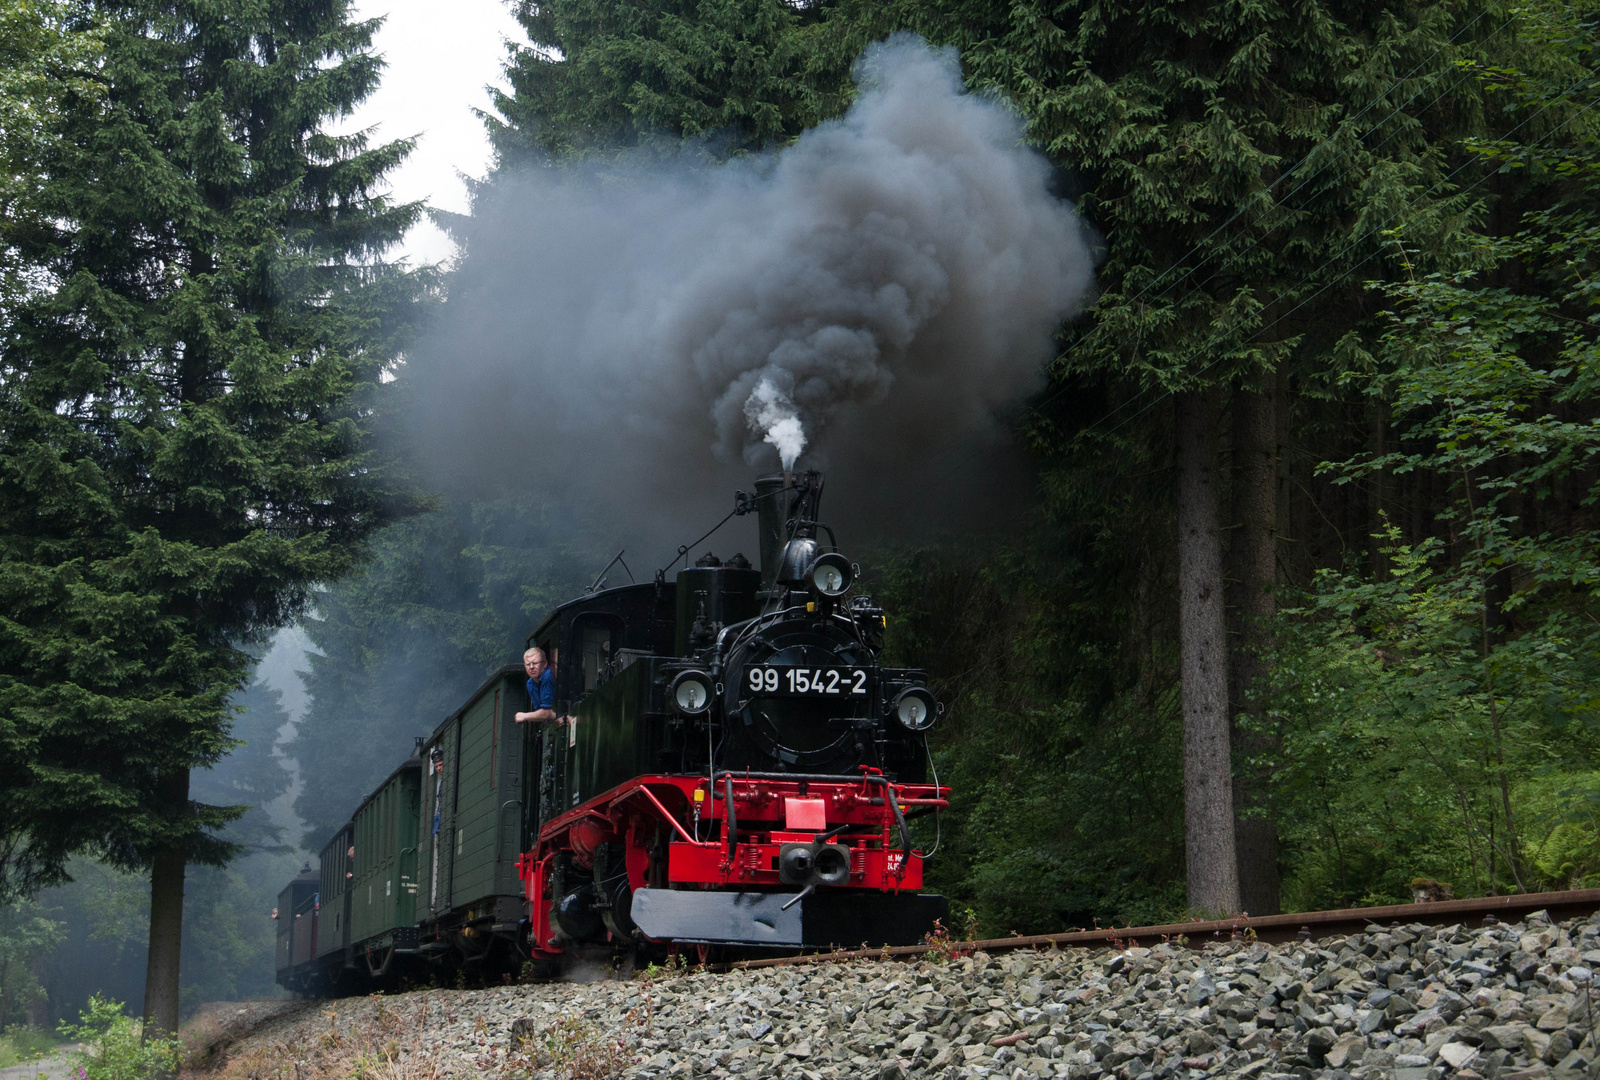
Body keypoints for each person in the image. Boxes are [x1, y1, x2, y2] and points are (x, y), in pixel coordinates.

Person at [515, 646, 561, 725]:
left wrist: (524, 716)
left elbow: (546, 713)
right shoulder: (530, 683)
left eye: (535, 663)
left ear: (545, 663)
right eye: (528, 664)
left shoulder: (549, 675)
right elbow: (540, 713)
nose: (531, 667)